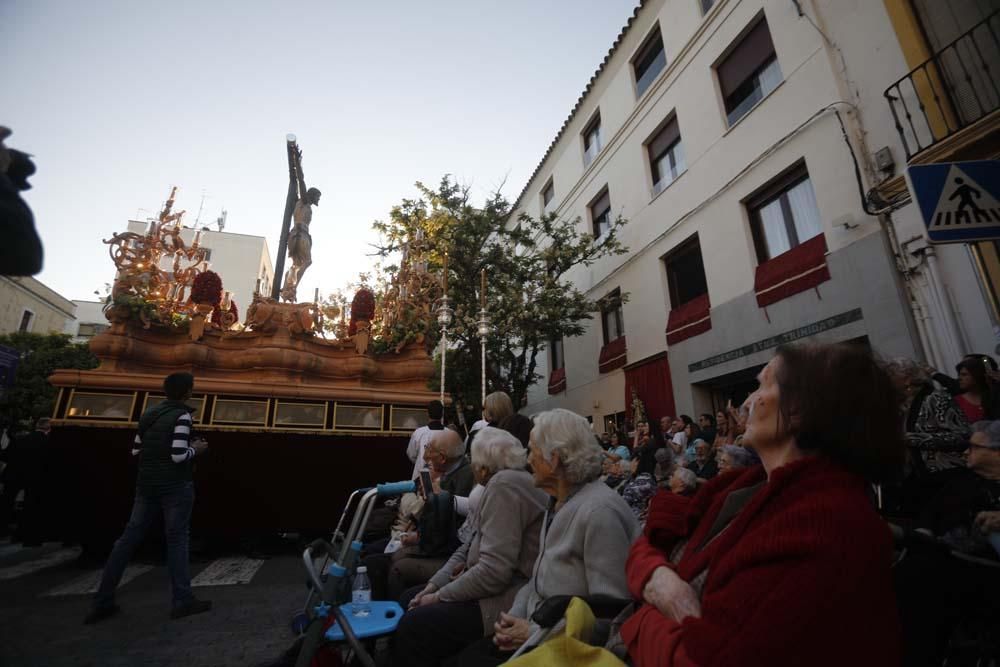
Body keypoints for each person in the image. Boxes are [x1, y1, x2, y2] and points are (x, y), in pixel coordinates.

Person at [622, 343, 903, 665]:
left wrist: (643, 618)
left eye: (762, 385)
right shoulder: (738, 486)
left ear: (799, 410)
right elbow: (646, 543)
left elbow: (705, 659)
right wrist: (661, 582)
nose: (747, 402)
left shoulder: (822, 525)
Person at [457, 408, 640, 667]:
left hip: (561, 649)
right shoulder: (558, 502)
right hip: (535, 634)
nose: (527, 458)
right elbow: (537, 581)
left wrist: (532, 633)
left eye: (532, 450)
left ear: (554, 460)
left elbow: (610, 613)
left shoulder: (599, 512)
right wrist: (512, 619)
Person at [393, 428, 549, 667]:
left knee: (415, 625)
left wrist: (438, 595)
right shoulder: (499, 484)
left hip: (504, 597)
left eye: (474, 462)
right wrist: (434, 586)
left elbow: (493, 573)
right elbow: (466, 548)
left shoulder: (504, 486)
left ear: (483, 467)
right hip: (488, 584)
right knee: (412, 599)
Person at [85, 372, 211, 623]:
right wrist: (195, 449)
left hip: (146, 485)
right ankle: (182, 600)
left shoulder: (148, 414)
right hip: (175, 485)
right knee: (176, 541)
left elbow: (135, 450)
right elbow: (177, 455)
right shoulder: (182, 415)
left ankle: (103, 599)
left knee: (127, 540)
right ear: (187, 391)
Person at [895, 419, 1000, 664]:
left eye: (974, 447)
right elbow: (928, 521)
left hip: (983, 571)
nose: (965, 452)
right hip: (941, 556)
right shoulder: (957, 481)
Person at [387, 428, 475, 600]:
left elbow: (450, 525)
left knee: (397, 566)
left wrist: (435, 498)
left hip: (448, 550)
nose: (426, 456)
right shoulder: (452, 471)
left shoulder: (464, 477)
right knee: (394, 557)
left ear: (442, 458)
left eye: (429, 449)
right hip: (442, 545)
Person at [0, 417, 50, 545]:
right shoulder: (47, 441)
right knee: (29, 505)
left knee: (6, 502)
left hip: (13, 475)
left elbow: (5, 455)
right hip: (33, 477)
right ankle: (21, 533)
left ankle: (2, 528)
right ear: (48, 428)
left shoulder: (20, 438)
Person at [407, 400, 446, 481]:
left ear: (428, 414)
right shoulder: (450, 434)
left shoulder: (419, 433)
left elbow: (411, 454)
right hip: (442, 480)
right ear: (442, 414)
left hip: (421, 478)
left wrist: (421, 461)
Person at [953, 357, 994, 423]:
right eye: (959, 375)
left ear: (977, 375)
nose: (960, 378)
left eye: (964, 375)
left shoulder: (994, 397)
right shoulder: (955, 402)